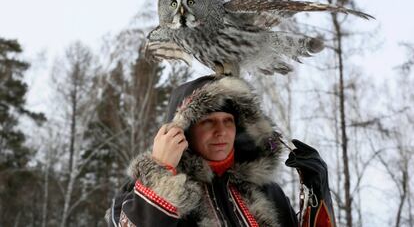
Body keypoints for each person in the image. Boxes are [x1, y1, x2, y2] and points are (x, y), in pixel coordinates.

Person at [107, 75, 336, 226]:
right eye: (208, 121)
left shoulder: (268, 192)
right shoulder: (137, 195)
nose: (221, 131)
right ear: (184, 130)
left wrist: (316, 191)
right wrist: (161, 174)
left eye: (228, 120)